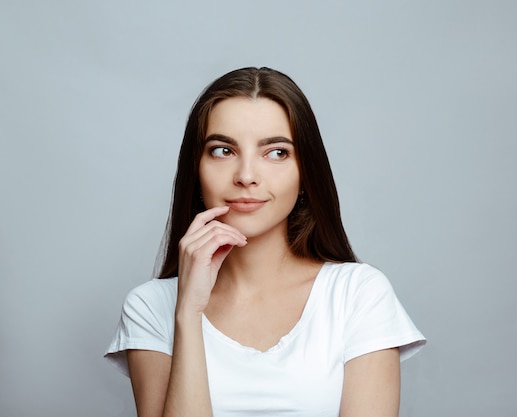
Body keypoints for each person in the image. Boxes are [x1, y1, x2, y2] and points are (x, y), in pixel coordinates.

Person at [105, 67, 426, 417]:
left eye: (276, 153)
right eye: (223, 150)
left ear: (306, 174)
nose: (245, 176)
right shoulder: (151, 307)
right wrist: (188, 312)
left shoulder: (358, 295)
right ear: (195, 170)